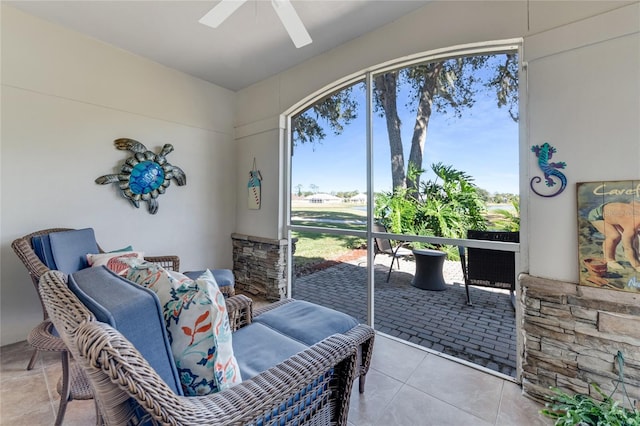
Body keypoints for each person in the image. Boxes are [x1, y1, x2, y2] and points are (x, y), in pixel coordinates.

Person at [588, 200, 640, 271]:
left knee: (633, 236)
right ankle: (609, 260)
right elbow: (628, 247)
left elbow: (633, 202)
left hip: (612, 212)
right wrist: (637, 266)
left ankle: (630, 255)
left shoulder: (637, 207)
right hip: (598, 216)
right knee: (614, 236)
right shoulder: (632, 225)